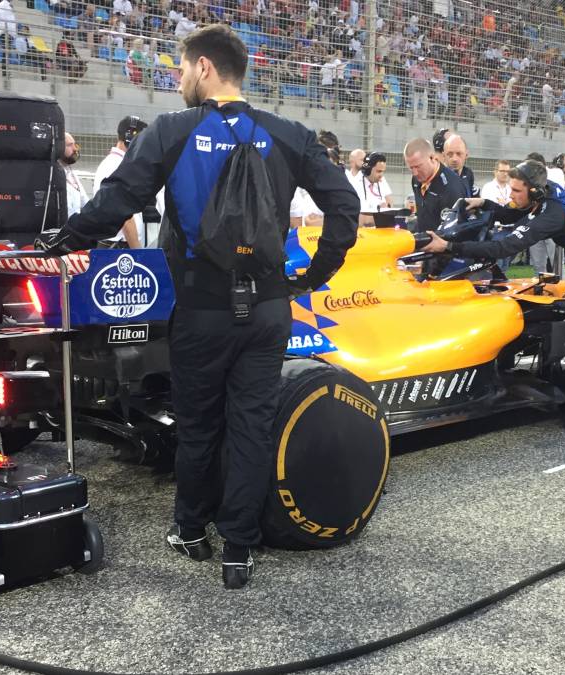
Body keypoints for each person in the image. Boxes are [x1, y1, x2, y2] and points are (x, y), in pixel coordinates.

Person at [39, 23, 358, 589]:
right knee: (252, 426)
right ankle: (239, 548)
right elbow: (343, 202)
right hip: (266, 308)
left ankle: (190, 529)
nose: (180, 79)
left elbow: (117, 201)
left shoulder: (171, 130)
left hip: (201, 310)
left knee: (200, 424)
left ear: (205, 68)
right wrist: (315, 273)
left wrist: (64, 240)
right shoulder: (287, 133)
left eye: (183, 69)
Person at [421, 160, 565, 311]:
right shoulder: (543, 193)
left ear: (534, 192)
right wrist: (483, 202)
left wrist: (448, 247)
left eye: (516, 190)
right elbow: (510, 213)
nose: (511, 195)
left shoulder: (551, 215)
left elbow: (504, 248)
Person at [92, 116, 147, 248]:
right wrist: (137, 250)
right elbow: (125, 218)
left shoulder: (116, 164)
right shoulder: (116, 166)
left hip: (117, 245)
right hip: (117, 247)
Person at [405, 137, 467, 232]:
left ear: (432, 158)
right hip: (422, 241)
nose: (415, 173)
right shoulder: (416, 180)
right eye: (411, 168)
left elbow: (453, 232)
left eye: (418, 166)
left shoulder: (451, 188)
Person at [479, 159, 514, 271]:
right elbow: (490, 208)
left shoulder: (511, 188)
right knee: (496, 265)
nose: (505, 174)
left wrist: (504, 204)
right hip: (496, 230)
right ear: (495, 172)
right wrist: (506, 204)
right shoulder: (488, 187)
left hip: (510, 229)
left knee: (505, 265)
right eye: (502, 170)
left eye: (508, 171)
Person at [527, 151, 559, 274]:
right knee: (538, 266)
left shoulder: (554, 181)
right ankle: (541, 291)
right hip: (535, 227)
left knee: (556, 264)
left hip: (552, 229)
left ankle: (561, 292)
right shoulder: (528, 184)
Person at [352, 152, 392, 224]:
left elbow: (389, 203)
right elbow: (361, 220)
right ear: (368, 170)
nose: (381, 175)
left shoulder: (381, 181)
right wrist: (381, 215)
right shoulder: (355, 186)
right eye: (379, 171)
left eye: (383, 171)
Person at [60, 132, 89, 217]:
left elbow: (85, 203)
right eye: (69, 145)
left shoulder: (72, 174)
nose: (75, 149)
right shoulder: (52, 174)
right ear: (59, 148)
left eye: (74, 144)